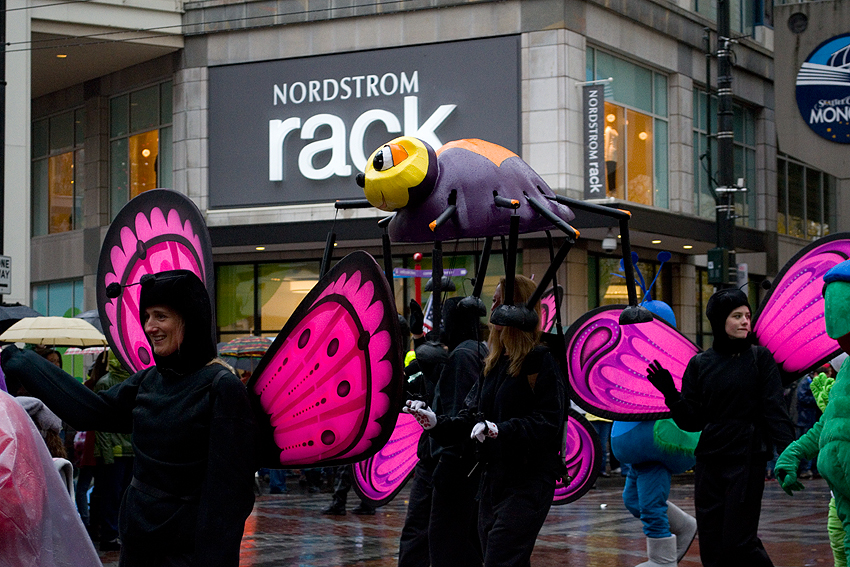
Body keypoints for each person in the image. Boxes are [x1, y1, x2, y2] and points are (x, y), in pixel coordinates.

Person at [1, 269, 258, 567]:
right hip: (138, 540)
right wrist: (24, 362)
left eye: (161, 316)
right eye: (147, 317)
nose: (150, 327)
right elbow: (89, 411)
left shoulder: (221, 387)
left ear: (190, 320)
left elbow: (228, 497)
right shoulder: (148, 380)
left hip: (187, 551)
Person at [406, 275, 566, 567]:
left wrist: (499, 430)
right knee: (500, 555)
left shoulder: (540, 360)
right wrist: (437, 423)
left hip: (528, 480)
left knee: (501, 556)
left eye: (497, 300)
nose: (491, 309)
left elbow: (549, 421)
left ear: (517, 307)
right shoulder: (494, 362)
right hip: (493, 480)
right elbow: (470, 416)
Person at [646, 288, 794, 567]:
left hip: (747, 459)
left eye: (747, 316)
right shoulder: (699, 364)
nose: (745, 322)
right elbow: (692, 421)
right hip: (709, 462)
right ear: (718, 321)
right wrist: (671, 394)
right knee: (712, 545)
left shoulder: (760, 358)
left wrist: (789, 454)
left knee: (740, 542)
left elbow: (775, 410)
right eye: (736, 316)